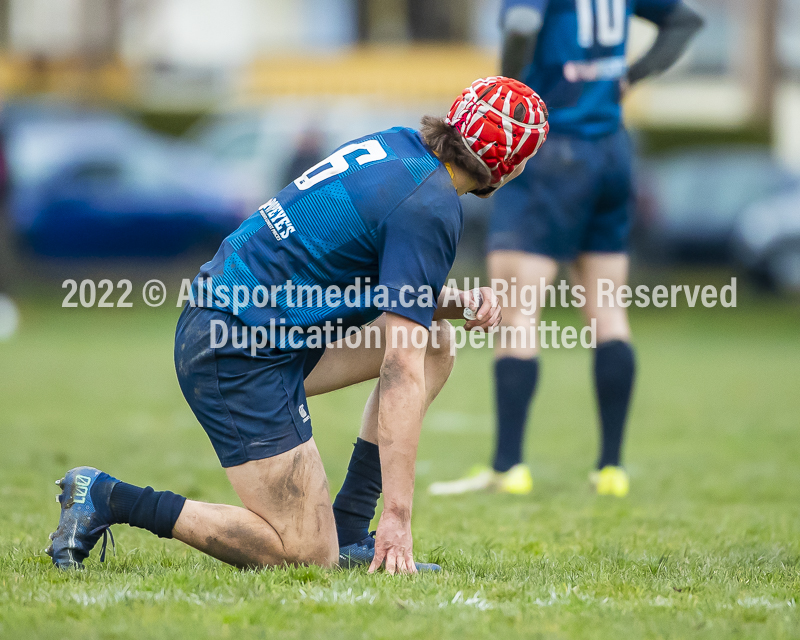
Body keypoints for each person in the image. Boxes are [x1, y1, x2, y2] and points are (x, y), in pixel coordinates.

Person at [46, 77, 549, 574]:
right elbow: (399, 365)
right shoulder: (431, 205)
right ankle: (108, 496)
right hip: (236, 345)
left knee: (435, 341)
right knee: (305, 552)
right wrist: (398, 517)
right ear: (506, 166)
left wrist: (454, 302)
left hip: (259, 323)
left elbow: (356, 275)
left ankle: (351, 530)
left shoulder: (400, 148)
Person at [429, 0, 703, 498]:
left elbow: (521, 23)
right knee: (609, 312)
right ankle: (610, 468)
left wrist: (511, 89)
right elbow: (686, 21)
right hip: (613, 149)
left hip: (552, 148)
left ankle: (509, 466)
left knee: (516, 313)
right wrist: (632, 75)